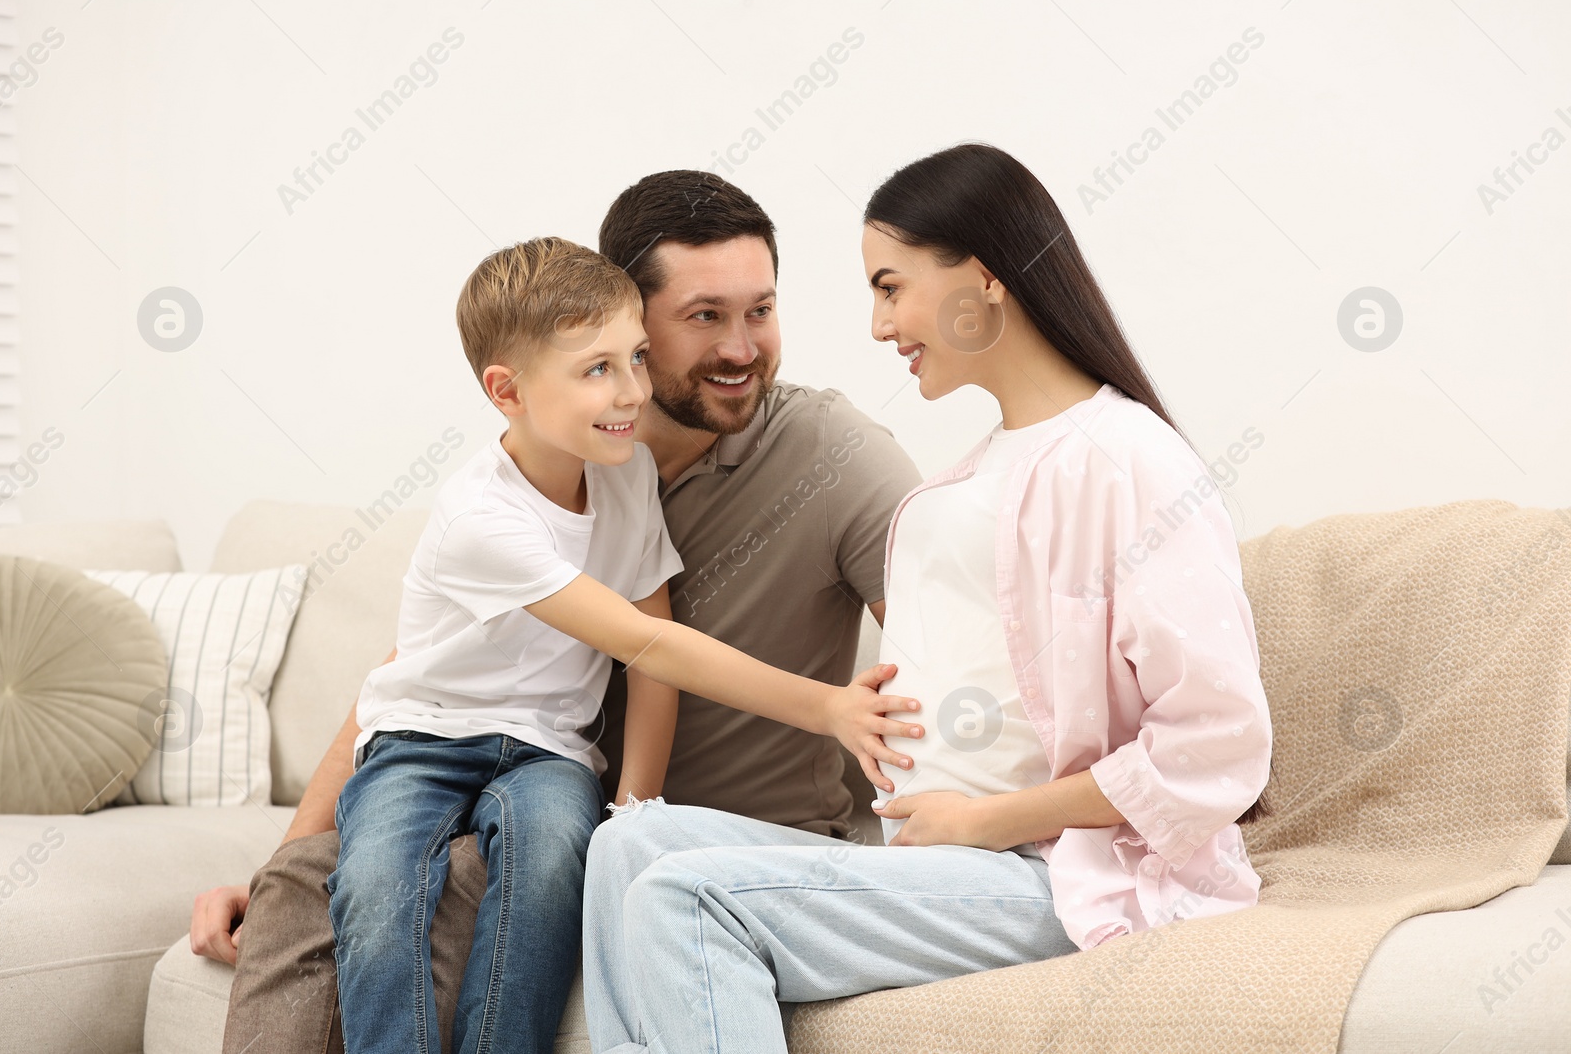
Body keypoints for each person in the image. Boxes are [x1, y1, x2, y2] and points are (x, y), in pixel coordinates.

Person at [192, 174, 926, 1054]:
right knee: (309, 886)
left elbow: (942, 666)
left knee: (486, 872)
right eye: (702, 317)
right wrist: (278, 862)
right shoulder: (573, 464)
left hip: (664, 828)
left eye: (760, 310)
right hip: (492, 784)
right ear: (626, 316)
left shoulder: (830, 456)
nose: (741, 347)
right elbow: (415, 671)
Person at [580, 142, 1276, 1053]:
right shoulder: (978, 471)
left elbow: (1219, 746)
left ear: (981, 281)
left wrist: (984, 820)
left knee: (687, 894)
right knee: (627, 844)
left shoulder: (1126, 459)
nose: (877, 324)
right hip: (940, 855)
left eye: (890, 285)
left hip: (1052, 868)